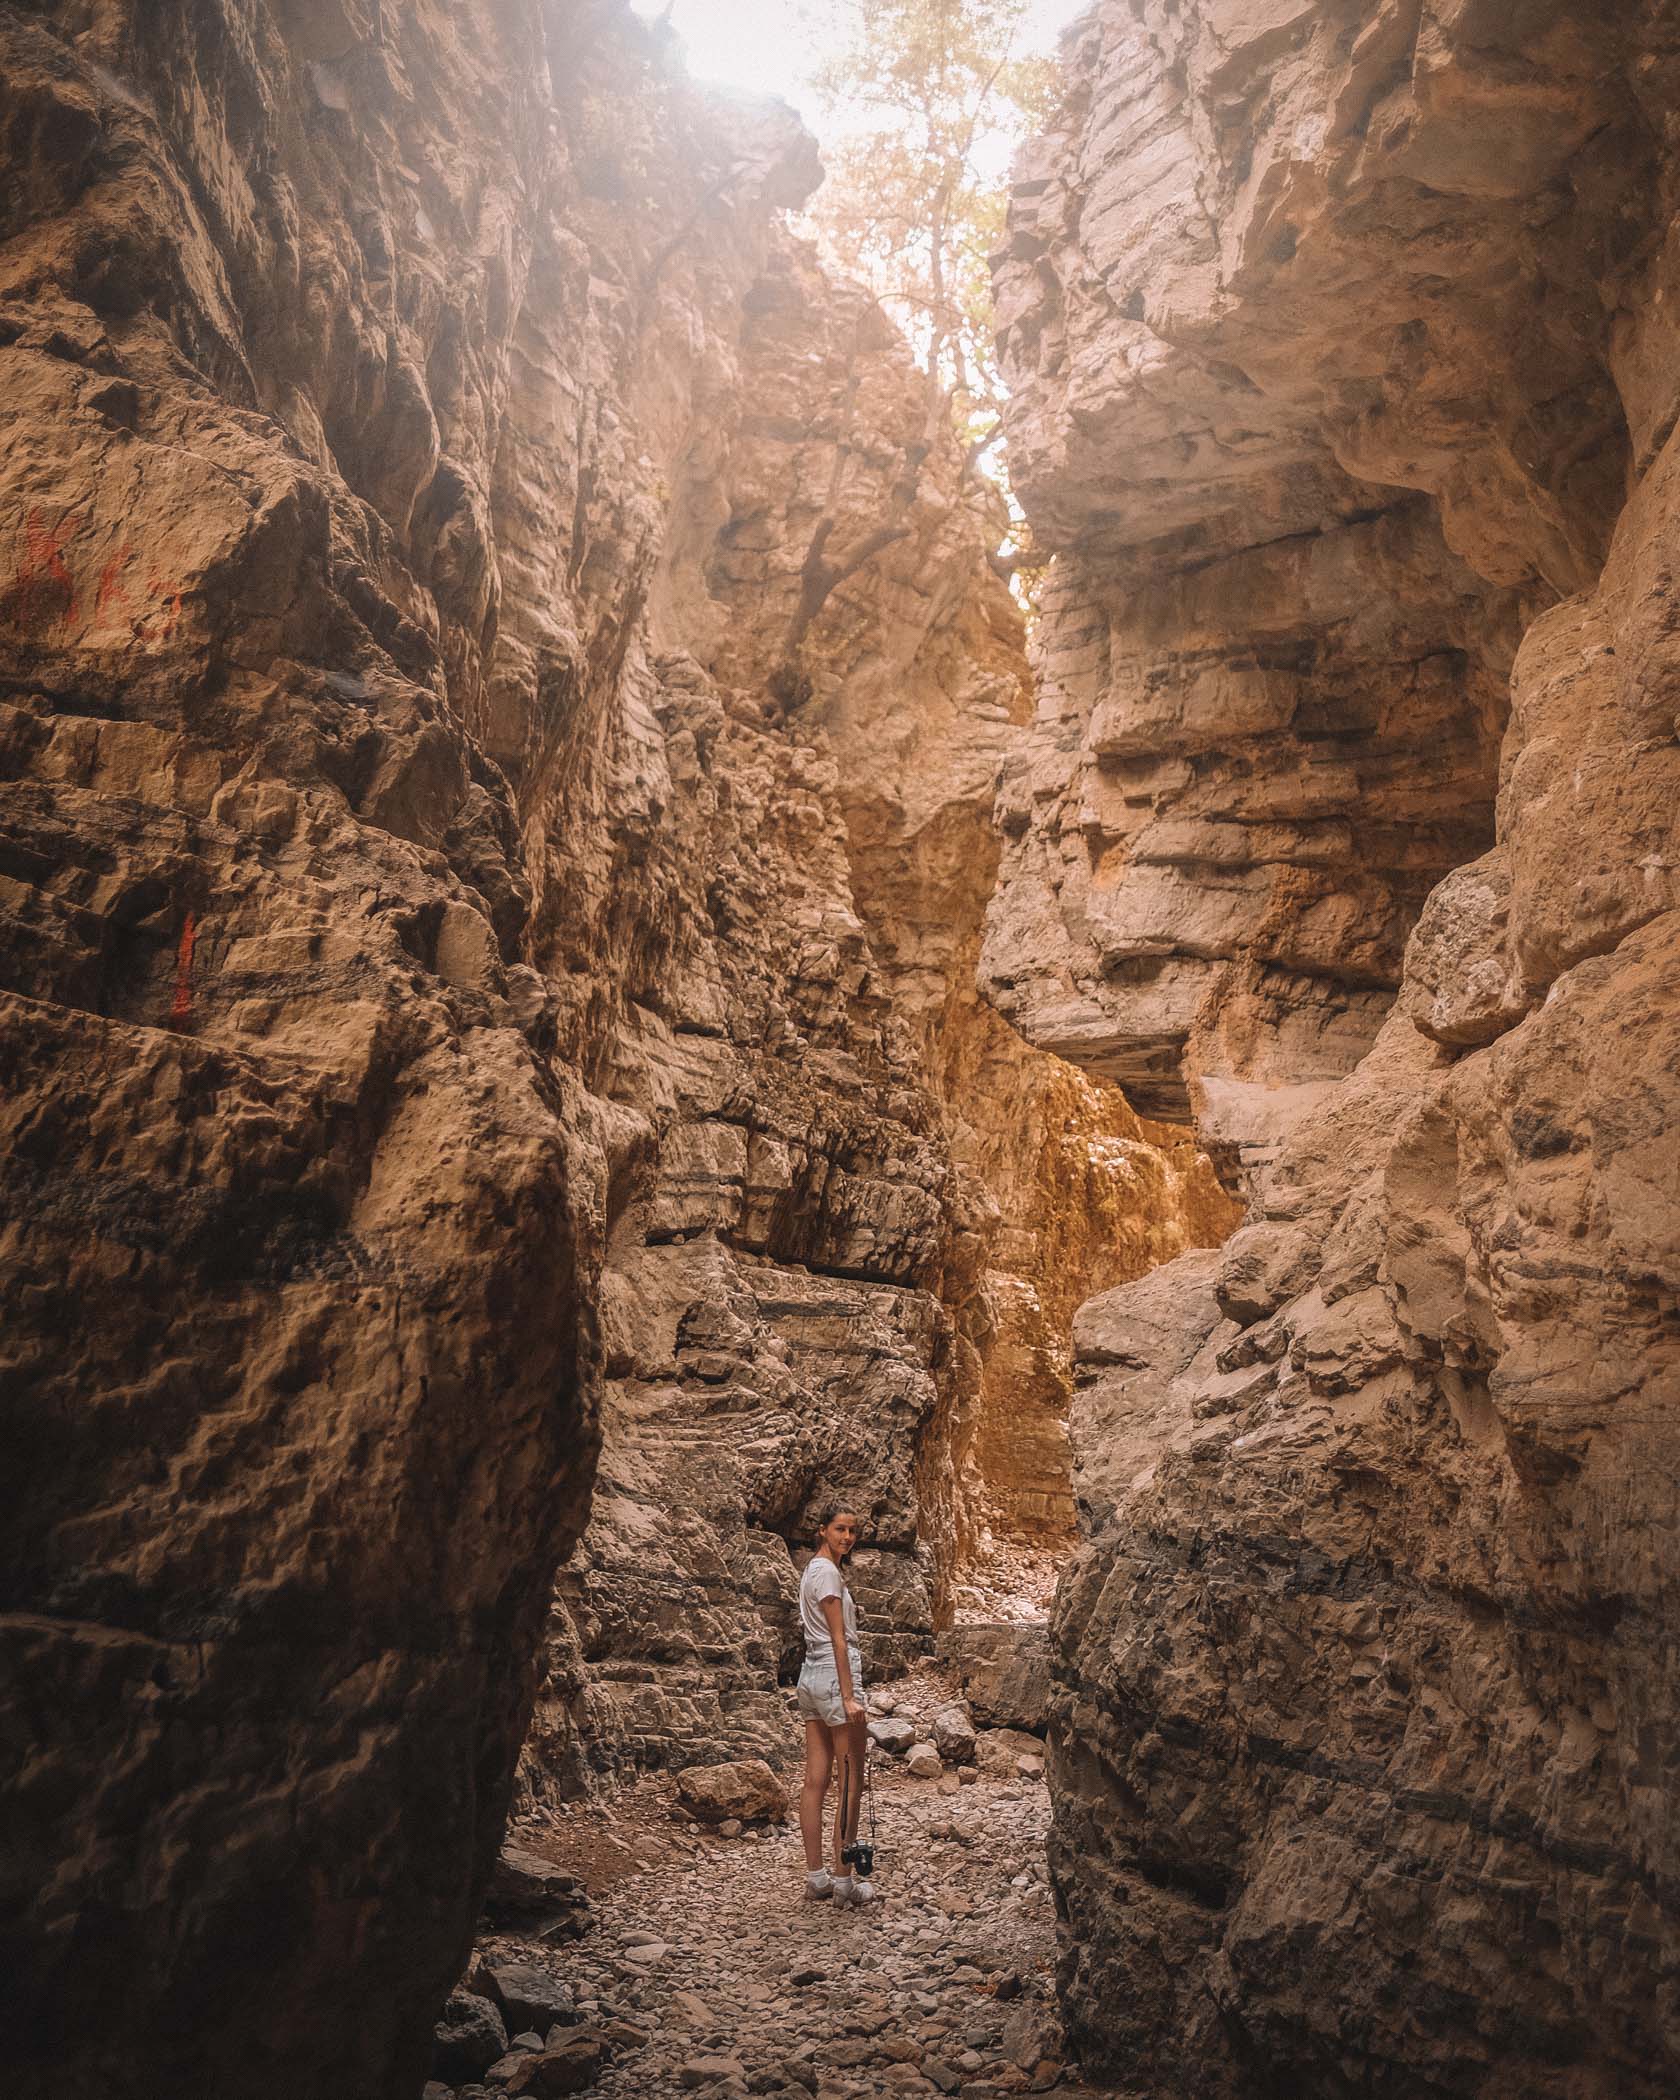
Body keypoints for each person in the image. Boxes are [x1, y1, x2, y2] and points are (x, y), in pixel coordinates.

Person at [796, 1502, 875, 1904]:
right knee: (851, 1780)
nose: (847, 1537)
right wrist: (848, 1696)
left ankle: (817, 1878)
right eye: (840, 1529)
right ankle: (844, 1882)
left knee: (816, 1779)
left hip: (810, 1675)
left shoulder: (811, 1569)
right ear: (823, 1529)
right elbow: (840, 1639)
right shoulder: (827, 1572)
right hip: (833, 1674)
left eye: (853, 1531)